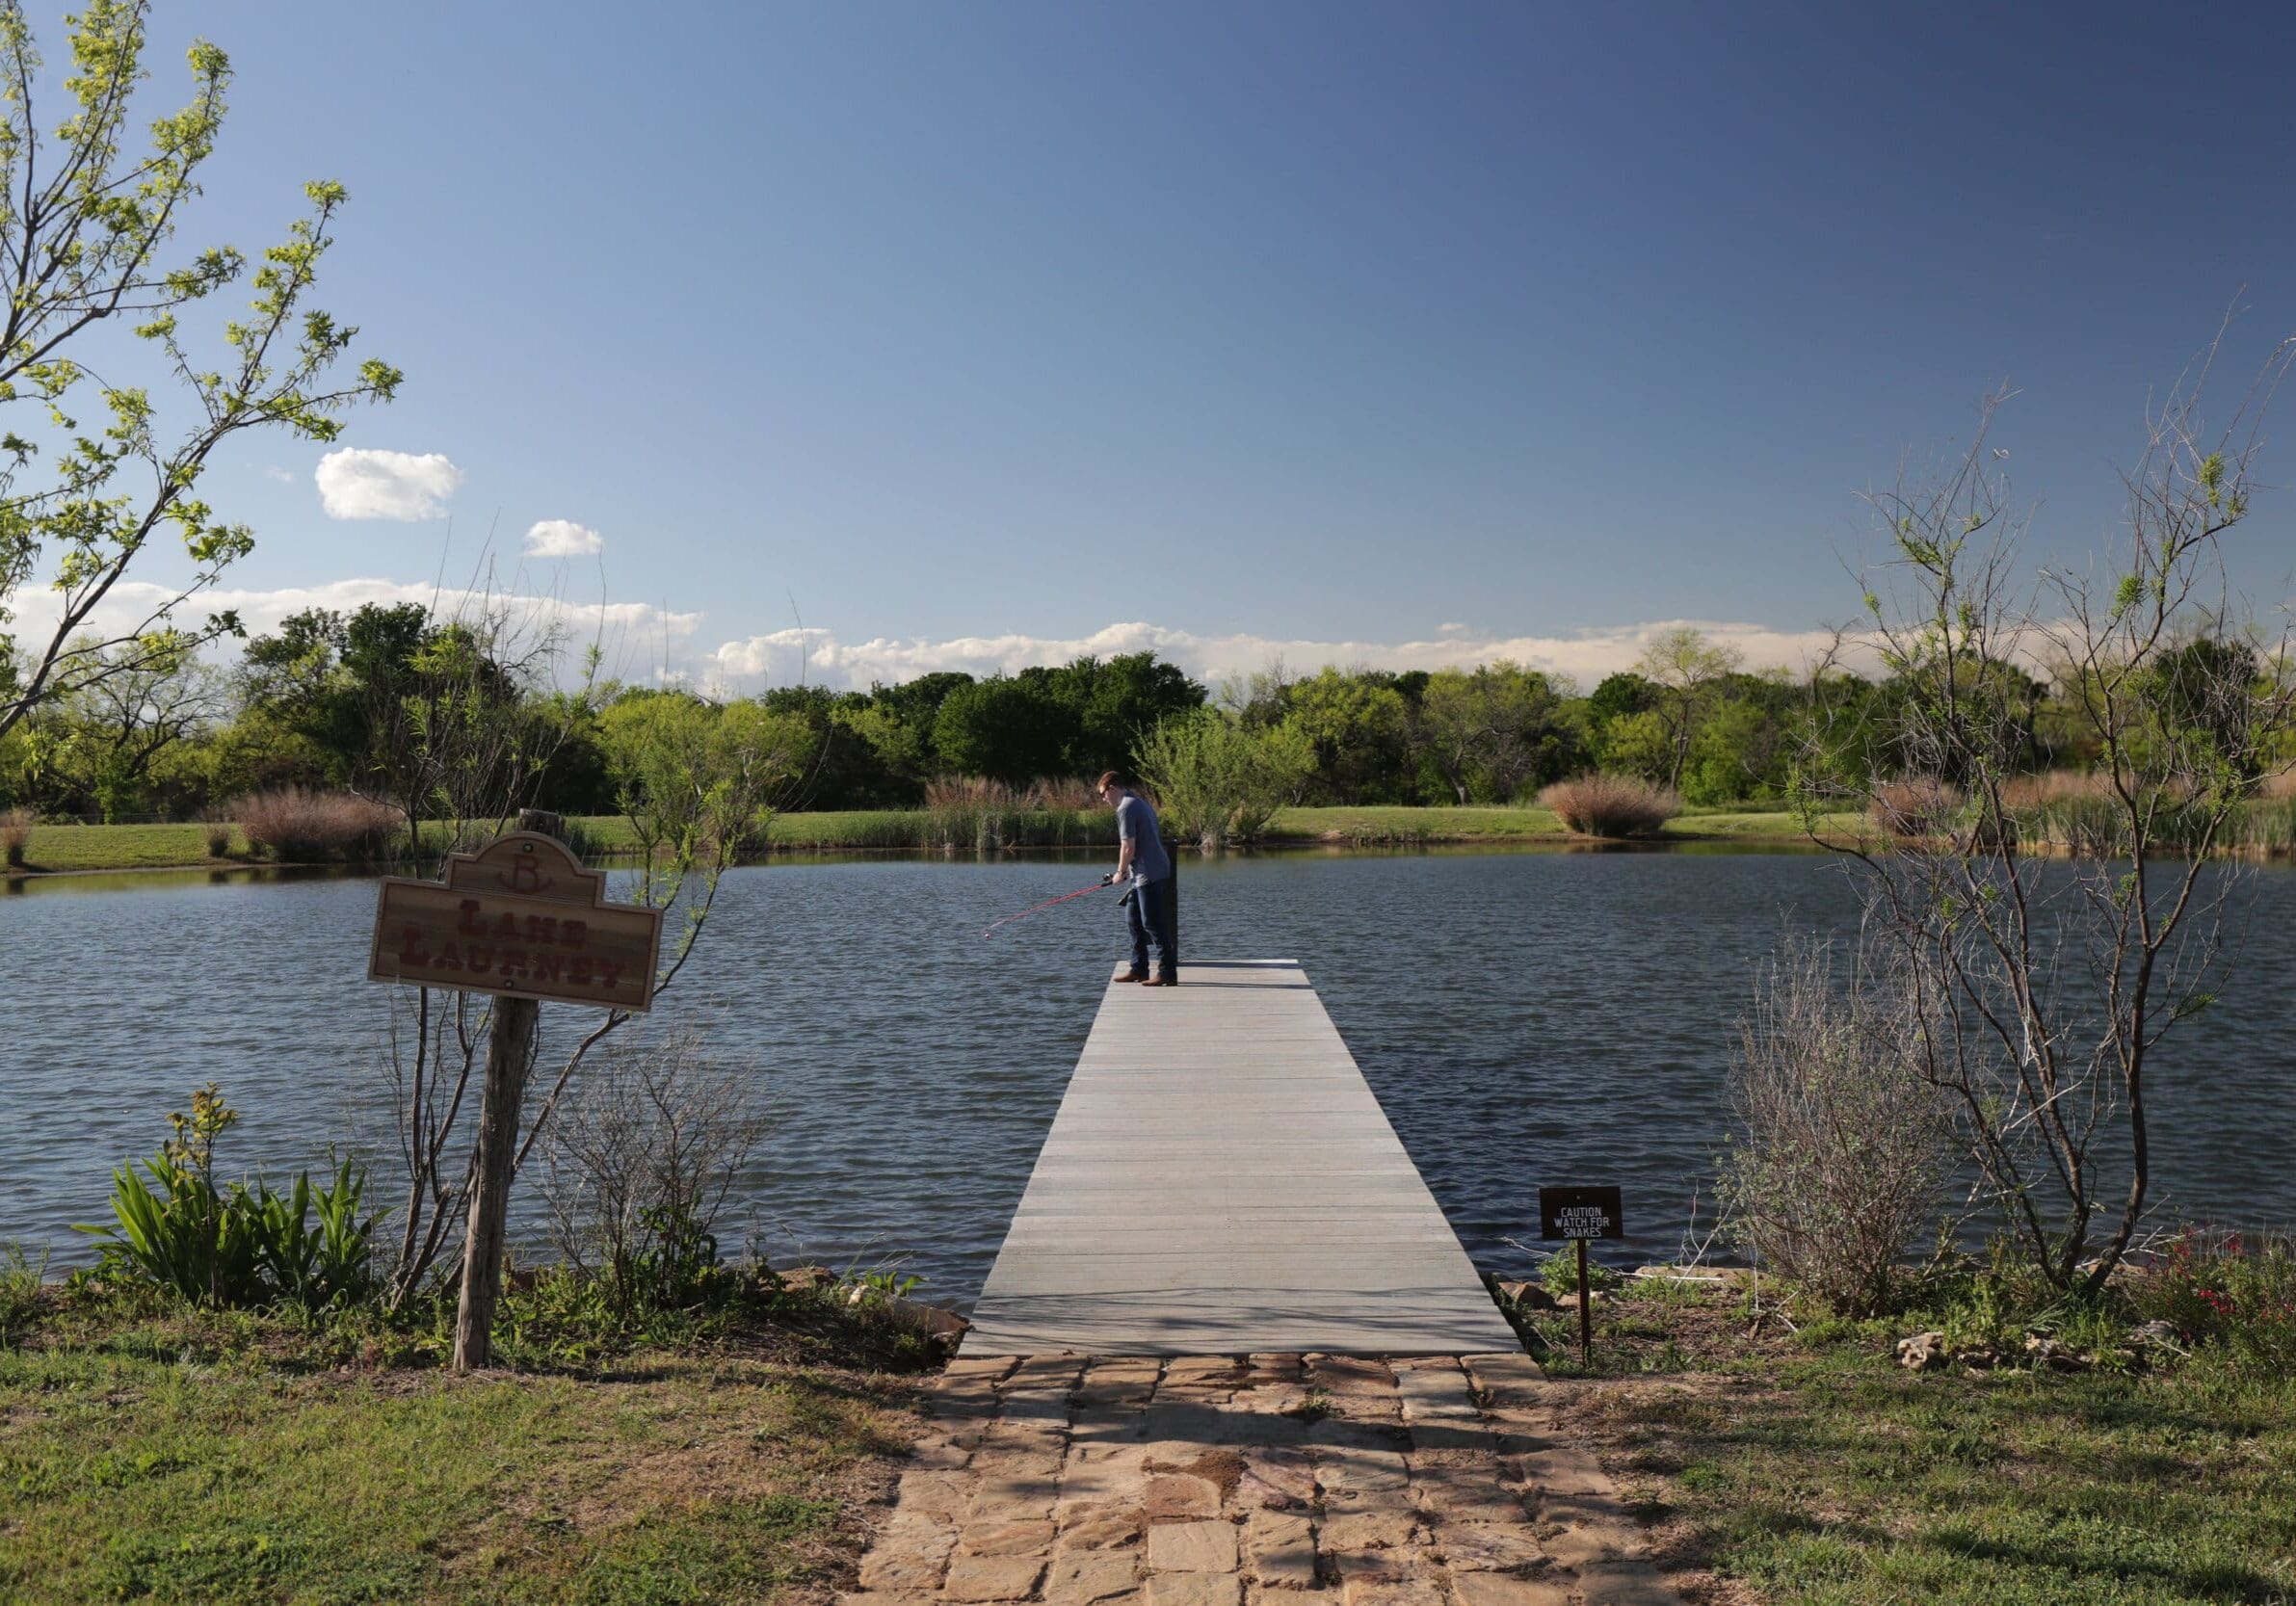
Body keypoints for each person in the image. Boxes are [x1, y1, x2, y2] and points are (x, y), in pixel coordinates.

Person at [1096, 770, 1176, 986]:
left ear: (1113, 788)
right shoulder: (1138, 802)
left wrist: (1120, 872)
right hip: (1145, 871)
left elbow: (1127, 846)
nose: (1103, 799)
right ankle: (1139, 968)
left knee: (1152, 923)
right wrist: (1126, 872)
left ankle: (1167, 972)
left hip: (1149, 872)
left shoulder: (1126, 807)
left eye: (1103, 794)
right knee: (1133, 919)